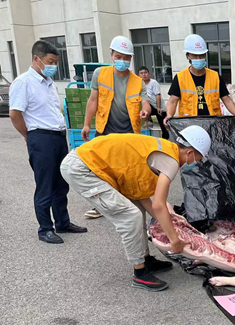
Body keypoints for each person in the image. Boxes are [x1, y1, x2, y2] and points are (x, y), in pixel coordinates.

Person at [60, 127, 211, 291]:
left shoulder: (166, 150)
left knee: (138, 211)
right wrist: (174, 240)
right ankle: (140, 273)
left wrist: (170, 222)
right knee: (130, 216)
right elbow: (159, 205)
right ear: (190, 152)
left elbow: (141, 197)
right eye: (198, 158)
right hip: (82, 169)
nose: (196, 162)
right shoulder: (171, 162)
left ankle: (146, 260)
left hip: (88, 164)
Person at [9, 40, 87, 244]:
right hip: (41, 138)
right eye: (50, 61)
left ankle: (62, 222)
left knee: (61, 184)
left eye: (56, 62)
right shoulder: (24, 82)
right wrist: (28, 135)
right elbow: (15, 114)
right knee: (45, 185)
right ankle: (45, 228)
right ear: (37, 59)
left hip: (58, 137)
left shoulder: (49, 82)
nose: (54, 66)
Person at [82, 35, 152, 219]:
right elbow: (93, 100)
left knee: (128, 169)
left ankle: (129, 203)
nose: (122, 61)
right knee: (100, 169)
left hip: (129, 132)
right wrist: (86, 124)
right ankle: (101, 206)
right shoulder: (100, 74)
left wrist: (145, 111)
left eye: (126, 57)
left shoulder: (137, 81)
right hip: (105, 129)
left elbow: (146, 102)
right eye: (118, 56)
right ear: (111, 55)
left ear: (130, 59)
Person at [165, 34, 235, 123]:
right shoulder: (180, 78)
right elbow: (172, 102)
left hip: (213, 124)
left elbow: (227, 100)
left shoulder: (215, 77)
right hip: (190, 124)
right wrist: (169, 116)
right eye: (195, 55)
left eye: (201, 55)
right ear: (188, 56)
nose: (199, 58)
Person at [139, 66, 169, 139]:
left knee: (163, 126)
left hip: (158, 106)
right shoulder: (139, 84)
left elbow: (158, 95)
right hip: (149, 106)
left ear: (149, 74)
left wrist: (158, 107)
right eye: (141, 73)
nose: (144, 75)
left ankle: (166, 139)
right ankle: (148, 119)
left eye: (145, 73)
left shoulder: (153, 83)